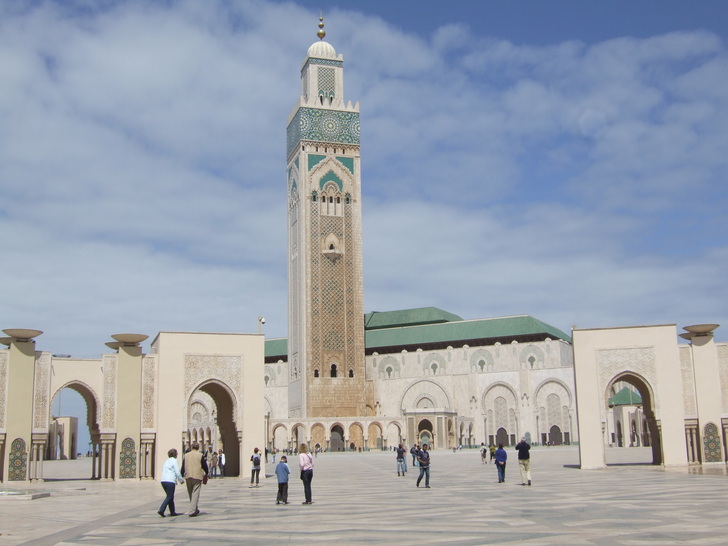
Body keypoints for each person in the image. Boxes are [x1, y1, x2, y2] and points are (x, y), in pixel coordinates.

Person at [182, 442, 208, 517]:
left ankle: (195, 509)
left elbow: (183, 466)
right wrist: (206, 473)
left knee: (191, 494)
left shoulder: (186, 455)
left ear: (191, 447)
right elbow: (204, 465)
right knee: (195, 494)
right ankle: (192, 511)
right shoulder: (200, 455)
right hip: (197, 476)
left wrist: (181, 474)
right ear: (198, 447)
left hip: (188, 476)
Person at [158, 448, 184, 517]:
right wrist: (181, 480)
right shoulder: (174, 461)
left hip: (163, 480)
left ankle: (172, 511)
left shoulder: (166, 461)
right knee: (169, 496)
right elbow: (177, 472)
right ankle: (161, 509)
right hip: (170, 481)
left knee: (170, 496)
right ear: (175, 454)